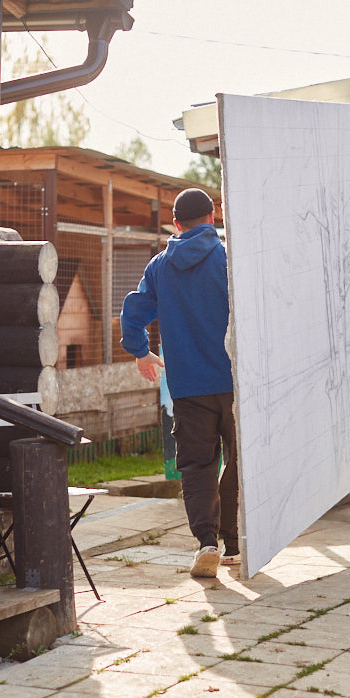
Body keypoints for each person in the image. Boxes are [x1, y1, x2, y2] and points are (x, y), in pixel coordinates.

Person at [120, 188, 238, 577]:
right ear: (212, 217)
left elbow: (133, 312)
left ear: (176, 224)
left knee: (197, 466)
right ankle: (236, 544)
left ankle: (207, 542)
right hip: (237, 382)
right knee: (242, 459)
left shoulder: (159, 266)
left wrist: (141, 352)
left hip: (188, 387)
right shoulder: (229, 258)